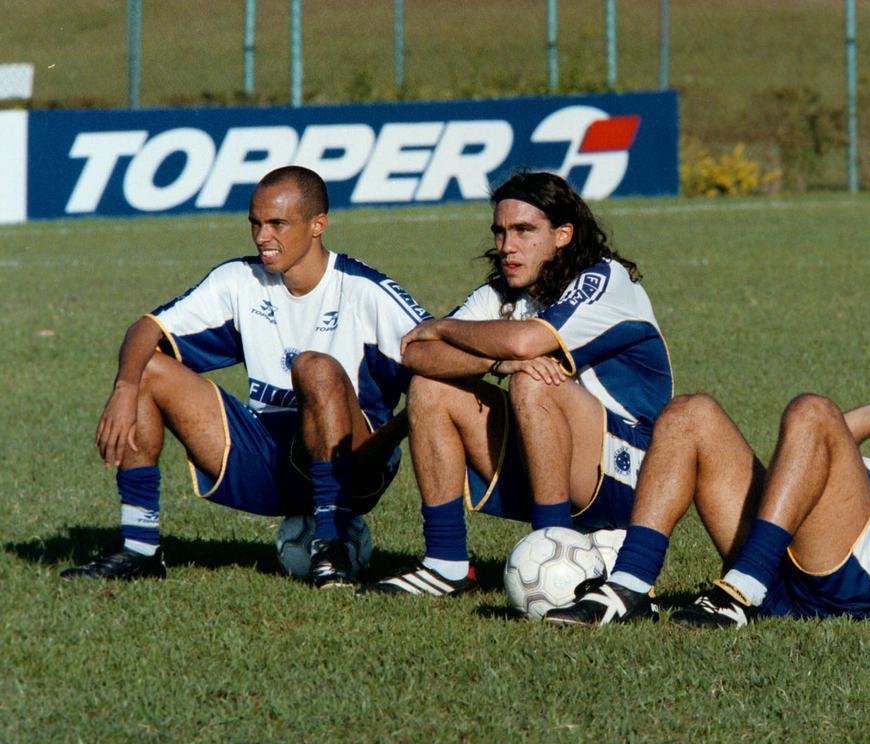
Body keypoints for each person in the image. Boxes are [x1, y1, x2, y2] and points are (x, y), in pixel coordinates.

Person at [62, 165, 429, 588]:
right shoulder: (240, 280)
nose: (261, 237)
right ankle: (140, 548)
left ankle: (331, 544)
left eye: (277, 224)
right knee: (146, 365)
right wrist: (125, 389)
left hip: (354, 464)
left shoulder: (365, 290)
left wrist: (405, 424)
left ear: (318, 225)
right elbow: (148, 328)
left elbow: (436, 356)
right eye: (255, 223)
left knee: (314, 367)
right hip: (267, 454)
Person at [545, 344, 870, 626]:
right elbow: (809, 454)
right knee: (689, 413)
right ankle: (630, 586)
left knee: (812, 409)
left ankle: (739, 591)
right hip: (792, 571)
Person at [362, 169, 672, 596]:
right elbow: (417, 353)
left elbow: (526, 342)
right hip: (554, 455)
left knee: (533, 380)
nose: (507, 246)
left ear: (563, 234)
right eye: (501, 231)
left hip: (636, 474)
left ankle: (552, 546)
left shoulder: (604, 279)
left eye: (524, 231)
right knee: (431, 387)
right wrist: (494, 361)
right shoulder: (503, 292)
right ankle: (445, 564)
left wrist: (447, 328)